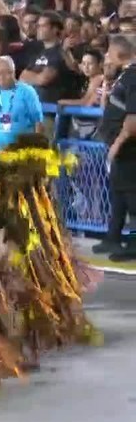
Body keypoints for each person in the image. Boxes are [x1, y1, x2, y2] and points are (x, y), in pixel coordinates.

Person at [0, 131, 100, 367]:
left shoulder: (31, 202)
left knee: (24, 294)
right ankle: (12, 346)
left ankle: (21, 344)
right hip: (4, 248)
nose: (44, 183)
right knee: (10, 297)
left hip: (19, 246)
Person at [97, 36, 136, 258]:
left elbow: (133, 120)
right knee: (119, 194)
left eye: (109, 53)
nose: (107, 57)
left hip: (129, 150)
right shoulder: (124, 76)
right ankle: (113, 238)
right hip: (121, 149)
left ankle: (134, 245)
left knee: (133, 197)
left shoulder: (134, 76)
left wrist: (117, 145)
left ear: (120, 54)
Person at [0, 56, 45, 155]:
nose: (2, 76)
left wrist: (37, 151)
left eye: (7, 72)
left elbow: (38, 122)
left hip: (22, 150)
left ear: (14, 72)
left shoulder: (27, 92)